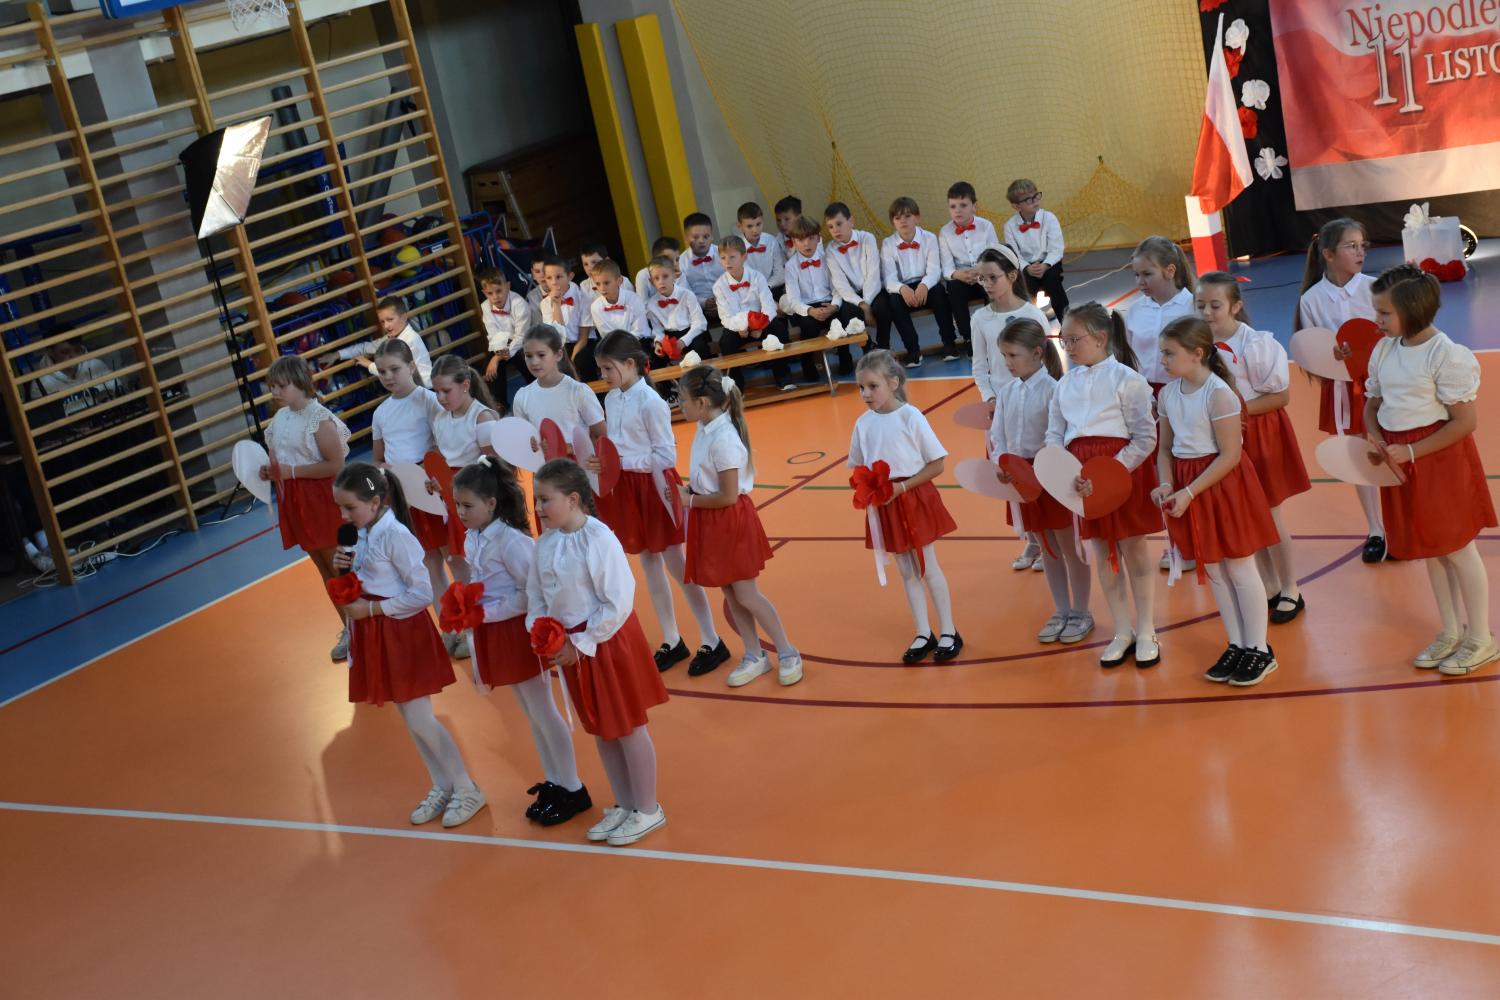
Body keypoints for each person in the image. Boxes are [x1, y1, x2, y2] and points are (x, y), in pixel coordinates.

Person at [331, 462, 485, 828]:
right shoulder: (362, 533)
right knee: (409, 718)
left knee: (421, 718)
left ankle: (467, 787)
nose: (343, 516)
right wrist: (345, 571)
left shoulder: (396, 536)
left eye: (349, 507)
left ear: (375, 502)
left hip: (401, 632)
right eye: (341, 508)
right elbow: (369, 579)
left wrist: (372, 608)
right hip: (376, 631)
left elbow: (421, 593)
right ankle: (442, 784)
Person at [527, 459, 670, 846]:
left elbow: (618, 600)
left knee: (628, 727)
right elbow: (536, 595)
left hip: (605, 643)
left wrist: (581, 643)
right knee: (602, 730)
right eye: (536, 499)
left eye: (545, 499)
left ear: (573, 499)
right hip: (571, 650)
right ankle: (625, 803)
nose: (538, 507)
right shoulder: (546, 543)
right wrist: (542, 631)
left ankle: (648, 808)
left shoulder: (599, 538)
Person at [1364, 264, 1497, 675]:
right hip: (1403, 460)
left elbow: (1464, 423)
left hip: (1439, 461)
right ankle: (1451, 630)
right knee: (1432, 549)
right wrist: (1375, 437)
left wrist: (1412, 451)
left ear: (1412, 311)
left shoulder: (1446, 355)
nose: (1377, 319)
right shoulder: (1385, 350)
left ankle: (1481, 638)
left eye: (1384, 313)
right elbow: (1373, 404)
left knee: (1457, 549)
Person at [452, 456, 591, 826]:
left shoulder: (512, 542)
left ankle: (573, 787)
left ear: (491, 503)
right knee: (530, 713)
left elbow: (532, 594)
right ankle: (554, 781)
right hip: (495, 630)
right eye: (457, 505)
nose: (461, 513)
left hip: (519, 631)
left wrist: (485, 612)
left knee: (543, 710)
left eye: (467, 505)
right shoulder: (473, 537)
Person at [593, 331, 729, 675]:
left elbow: (665, 455)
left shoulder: (650, 402)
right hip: (628, 489)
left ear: (630, 363)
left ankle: (712, 639)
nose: (603, 376)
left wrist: (621, 461)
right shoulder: (612, 399)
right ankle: (672, 638)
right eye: (601, 369)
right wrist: (604, 460)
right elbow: (617, 445)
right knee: (648, 564)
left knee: (677, 565)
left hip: (654, 487)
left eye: (608, 368)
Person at [1154, 317, 1281, 687]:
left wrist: (1189, 491)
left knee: (1239, 567)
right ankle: (1237, 643)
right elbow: (1164, 450)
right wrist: (1166, 484)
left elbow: (1230, 455)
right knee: (1213, 569)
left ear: (1197, 354)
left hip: (1221, 485)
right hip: (1188, 485)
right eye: (1162, 352)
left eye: (1169, 353)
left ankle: (1259, 649)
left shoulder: (1218, 393)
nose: (1162, 360)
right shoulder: (1167, 394)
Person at [1046, 303, 1163, 669]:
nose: (1068, 347)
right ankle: (1122, 631)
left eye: (1074, 340)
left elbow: (1145, 437)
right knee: (1103, 554)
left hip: (1122, 475)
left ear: (1099, 338)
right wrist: (1064, 471)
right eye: (1064, 341)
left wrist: (1111, 472)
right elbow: (1054, 434)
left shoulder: (1129, 381)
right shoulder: (1064, 385)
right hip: (1083, 481)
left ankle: (1147, 631)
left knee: (1134, 553)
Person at [676, 365, 802, 687]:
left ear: (702, 402)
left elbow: (729, 496)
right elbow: (709, 481)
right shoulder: (704, 428)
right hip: (711, 519)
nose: (680, 405)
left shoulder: (724, 438)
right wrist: (690, 490)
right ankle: (754, 654)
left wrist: (688, 500)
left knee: (747, 593)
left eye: (683, 399)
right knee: (731, 592)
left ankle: (787, 651)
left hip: (729, 520)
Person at [1196, 272, 1311, 624]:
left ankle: (1290, 588)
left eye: (1215, 305)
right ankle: (1271, 584)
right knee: (1249, 514)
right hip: (1225, 435)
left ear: (1235, 306)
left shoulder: (1256, 345)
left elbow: (1280, 397)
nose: (1207, 312)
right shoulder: (1198, 344)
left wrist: (1233, 412)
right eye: (1200, 305)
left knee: (1270, 513)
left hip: (1259, 432)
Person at [849, 350, 961, 663]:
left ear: (893, 383)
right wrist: (868, 490)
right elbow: (858, 466)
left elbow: (937, 464)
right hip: (886, 503)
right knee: (906, 570)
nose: (866, 394)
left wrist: (901, 487)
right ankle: (923, 631)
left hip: (912, 496)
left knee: (927, 566)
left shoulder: (911, 417)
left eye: (873, 386)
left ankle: (949, 630)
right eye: (861, 388)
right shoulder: (863, 424)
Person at [990, 318, 1093, 643]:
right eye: (1004, 356)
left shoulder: (1054, 390)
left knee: (1069, 547)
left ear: (1037, 353)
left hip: (1052, 476)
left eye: (1013, 355)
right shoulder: (1007, 392)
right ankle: (1061, 610)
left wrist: (1054, 470)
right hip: (1023, 480)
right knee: (1047, 548)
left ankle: (1081, 611)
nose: (1007, 363)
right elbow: (998, 437)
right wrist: (1002, 463)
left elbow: (1065, 437)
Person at [1296, 217, 1388, 563]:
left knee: (1391, 447)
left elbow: (1394, 333)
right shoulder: (1311, 300)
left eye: (1363, 245)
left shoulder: (1376, 288)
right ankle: (1376, 528)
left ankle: (1402, 522)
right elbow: (1312, 350)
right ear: (1328, 254)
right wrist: (1331, 356)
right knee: (1358, 453)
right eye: (1351, 246)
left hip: (1384, 382)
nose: (1360, 252)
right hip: (1343, 388)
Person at [369, 338, 464, 657]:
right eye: (382, 371)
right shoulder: (380, 413)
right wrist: (389, 472)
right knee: (428, 564)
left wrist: (427, 471)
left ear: (411, 366)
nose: (388, 376)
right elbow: (378, 459)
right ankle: (449, 627)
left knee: (453, 558)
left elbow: (443, 443)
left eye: (394, 369)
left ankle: (468, 625)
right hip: (404, 495)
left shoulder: (429, 401)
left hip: (431, 490)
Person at [260, 356, 351, 661]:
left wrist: (292, 472)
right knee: (324, 569)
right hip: (295, 500)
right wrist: (270, 471)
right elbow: (282, 461)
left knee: (340, 567)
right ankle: (349, 627)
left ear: (300, 383)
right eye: (272, 387)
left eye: (281, 386)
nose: (275, 392)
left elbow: (336, 465)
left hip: (321, 499)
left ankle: (363, 625)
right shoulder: (280, 419)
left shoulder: (319, 418)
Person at [429, 354, 499, 594]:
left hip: (478, 496)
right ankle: (471, 607)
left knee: (489, 559)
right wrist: (436, 481)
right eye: (436, 391)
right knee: (462, 559)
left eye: (446, 391)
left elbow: (493, 467)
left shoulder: (481, 417)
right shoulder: (440, 419)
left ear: (465, 385)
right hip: (453, 499)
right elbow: (441, 460)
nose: (440, 397)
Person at [877, 196, 954, 367]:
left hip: (926, 283)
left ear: (917, 217)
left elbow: (934, 270)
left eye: (907, 216)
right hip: (904, 288)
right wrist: (902, 288)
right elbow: (888, 278)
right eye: (898, 218)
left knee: (939, 293)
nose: (903, 221)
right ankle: (913, 350)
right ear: (893, 223)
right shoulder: (888, 244)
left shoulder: (929, 238)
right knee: (894, 301)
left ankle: (949, 344)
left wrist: (924, 285)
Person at [783, 214, 862, 382]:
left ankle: (845, 358)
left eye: (811, 238)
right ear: (794, 241)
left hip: (829, 303)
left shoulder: (828, 258)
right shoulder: (790, 266)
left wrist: (834, 306)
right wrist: (810, 311)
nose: (807, 244)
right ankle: (808, 365)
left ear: (818, 238)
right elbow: (793, 300)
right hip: (806, 308)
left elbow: (837, 287)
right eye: (801, 240)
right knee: (808, 328)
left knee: (839, 322)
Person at [970, 246, 1051, 410]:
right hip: (1000, 401)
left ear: (1012, 276)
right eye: (982, 278)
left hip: (1034, 400)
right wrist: (989, 397)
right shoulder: (979, 319)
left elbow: (1048, 360)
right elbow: (979, 367)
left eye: (993, 277)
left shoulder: (1034, 315)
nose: (987, 284)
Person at [713, 235, 791, 389]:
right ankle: (737, 386)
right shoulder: (719, 286)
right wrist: (741, 327)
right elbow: (725, 317)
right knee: (726, 343)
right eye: (723, 258)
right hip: (737, 327)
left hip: (761, 322)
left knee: (779, 330)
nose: (727, 262)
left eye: (732, 257)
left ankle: (783, 377)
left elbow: (769, 306)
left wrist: (760, 326)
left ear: (744, 257)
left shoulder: (757, 277)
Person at [938, 181, 1001, 361]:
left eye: (963, 205)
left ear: (974, 206)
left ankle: (994, 334)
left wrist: (980, 270)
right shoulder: (945, 232)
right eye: (953, 206)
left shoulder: (986, 226)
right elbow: (947, 267)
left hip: (984, 273)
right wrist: (958, 275)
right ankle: (969, 338)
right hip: (962, 278)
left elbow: (994, 254)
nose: (958, 210)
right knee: (954, 289)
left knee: (994, 283)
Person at [511, 325, 607, 444]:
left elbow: (601, 436)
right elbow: (525, 440)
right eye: (529, 356)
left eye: (541, 355)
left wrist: (572, 449)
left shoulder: (579, 391)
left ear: (558, 355)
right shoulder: (522, 397)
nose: (534, 362)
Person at [1125, 236, 1196, 394]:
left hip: (1182, 390)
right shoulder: (1135, 310)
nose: (1140, 281)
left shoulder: (1192, 308)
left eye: (1147, 274)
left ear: (1170, 271)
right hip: (1142, 391)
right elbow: (1128, 355)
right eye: (1136, 274)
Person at [1003, 178, 1069, 323]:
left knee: (1053, 282)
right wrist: (1027, 268)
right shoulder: (1009, 226)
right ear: (1016, 206)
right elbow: (1014, 255)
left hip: (1049, 263)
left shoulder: (1049, 218)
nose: (1035, 201)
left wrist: (1045, 265)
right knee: (1025, 290)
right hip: (1026, 267)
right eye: (1028, 200)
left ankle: (1066, 323)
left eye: (1036, 196)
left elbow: (1056, 249)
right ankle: (1031, 325)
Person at [321, 297, 432, 383]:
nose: (386, 326)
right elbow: (365, 347)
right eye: (382, 322)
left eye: (390, 319)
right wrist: (337, 354)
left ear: (403, 317)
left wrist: (369, 364)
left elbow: (395, 374)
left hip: (426, 390)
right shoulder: (391, 338)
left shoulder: (409, 340)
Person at [823, 201, 881, 335]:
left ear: (851, 221)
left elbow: (873, 274)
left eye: (839, 224)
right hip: (851, 295)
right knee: (848, 314)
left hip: (873, 290)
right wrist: (861, 304)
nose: (835, 230)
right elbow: (840, 284)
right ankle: (867, 346)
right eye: (830, 227)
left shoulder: (867, 238)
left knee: (882, 308)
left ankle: (884, 343)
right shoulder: (830, 250)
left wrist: (866, 302)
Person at [539, 255, 598, 382]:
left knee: (582, 360)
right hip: (560, 344)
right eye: (549, 278)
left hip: (583, 343)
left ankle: (594, 391)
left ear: (570, 276)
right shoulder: (545, 303)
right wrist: (556, 305)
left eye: (558, 277)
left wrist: (571, 360)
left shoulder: (583, 297)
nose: (554, 282)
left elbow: (583, 338)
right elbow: (557, 335)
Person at [478, 267, 531, 409]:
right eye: (490, 293)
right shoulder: (485, 307)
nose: (495, 297)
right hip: (501, 344)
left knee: (525, 358)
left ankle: (537, 388)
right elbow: (493, 335)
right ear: (484, 293)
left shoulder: (519, 304)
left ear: (507, 286)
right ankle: (499, 402)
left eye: (499, 291)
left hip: (523, 343)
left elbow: (521, 337)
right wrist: (498, 355)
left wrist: (497, 358)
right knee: (488, 368)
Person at [644, 253, 710, 364]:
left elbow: (700, 322)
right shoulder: (651, 304)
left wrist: (684, 341)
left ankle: (706, 374)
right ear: (651, 282)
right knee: (655, 359)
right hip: (669, 336)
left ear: (674, 276)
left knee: (700, 348)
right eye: (656, 278)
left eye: (665, 276)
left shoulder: (687, 295)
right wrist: (658, 343)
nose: (661, 281)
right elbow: (658, 330)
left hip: (690, 333)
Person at [587, 258, 649, 351]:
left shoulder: (634, 299)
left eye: (606, 283)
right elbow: (606, 334)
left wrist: (625, 345)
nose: (602, 288)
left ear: (619, 281)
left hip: (638, 341)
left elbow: (639, 329)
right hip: (614, 346)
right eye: (598, 284)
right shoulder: (596, 307)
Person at [736, 201, 786, 306]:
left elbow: (780, 274)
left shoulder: (771, 241)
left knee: (787, 304)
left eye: (758, 224)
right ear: (739, 226)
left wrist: (766, 286)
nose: (755, 230)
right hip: (749, 293)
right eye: (749, 226)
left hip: (772, 288)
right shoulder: (736, 247)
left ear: (763, 221)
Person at [681, 212, 724, 322]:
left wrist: (721, 302)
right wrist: (704, 303)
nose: (701, 241)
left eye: (706, 236)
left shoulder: (724, 254)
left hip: (728, 302)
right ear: (686, 238)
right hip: (696, 309)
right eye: (695, 237)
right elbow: (683, 292)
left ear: (712, 236)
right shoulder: (681, 263)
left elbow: (734, 282)